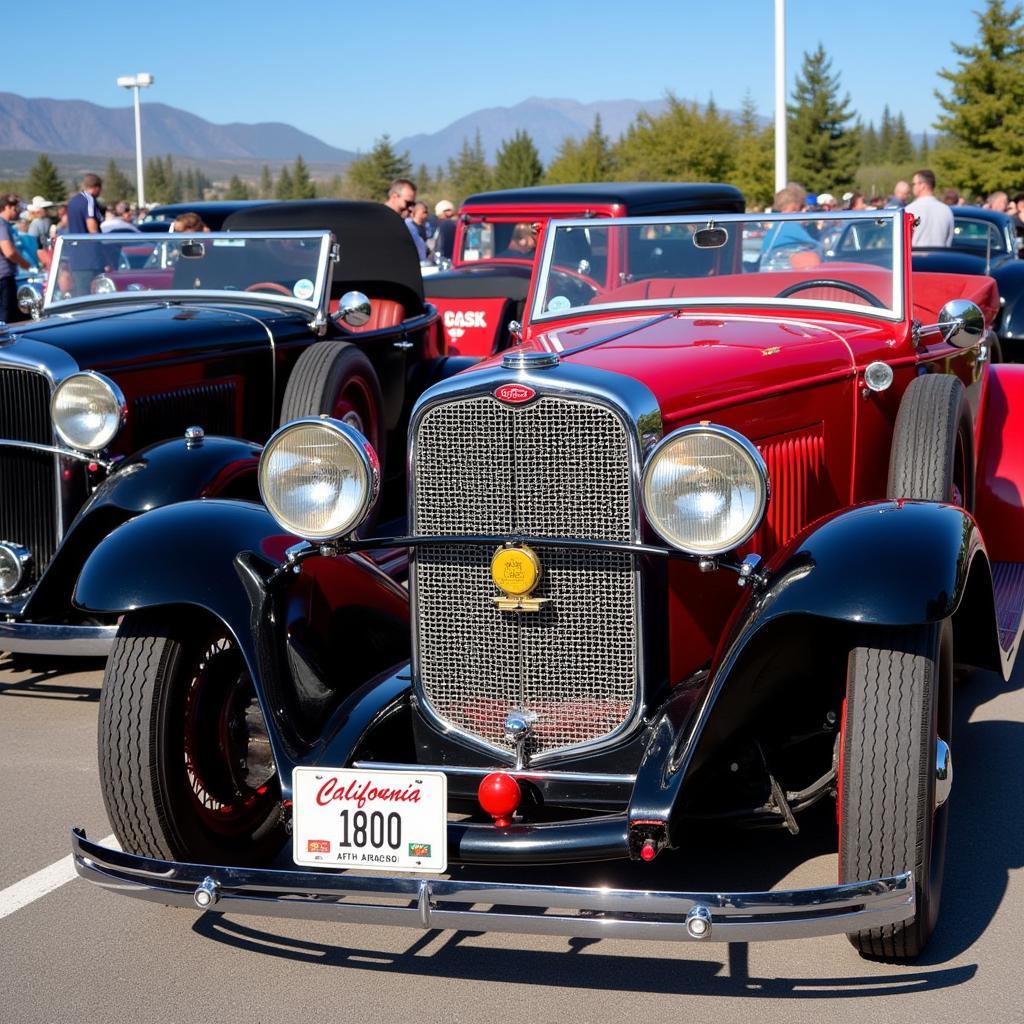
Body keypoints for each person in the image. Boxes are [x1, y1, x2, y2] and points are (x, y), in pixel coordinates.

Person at [760, 185, 821, 264]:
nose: (806, 209)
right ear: (792, 209)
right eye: (802, 206)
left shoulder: (779, 225)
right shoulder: (789, 226)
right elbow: (818, 248)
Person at [66, 173, 104, 292]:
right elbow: (92, 226)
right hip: (90, 258)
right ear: (96, 187)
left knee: (80, 295)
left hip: (77, 258)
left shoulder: (73, 201)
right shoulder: (88, 200)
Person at [0, 194, 32, 323]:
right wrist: (26, 264)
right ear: (7, 207)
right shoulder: (1, 225)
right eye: (15, 208)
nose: (17, 210)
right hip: (3, 278)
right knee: (5, 318)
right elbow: (8, 251)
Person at [907, 169, 954, 248]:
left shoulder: (909, 210)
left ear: (922, 186)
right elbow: (948, 242)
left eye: (913, 184)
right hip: (940, 259)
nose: (912, 187)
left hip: (916, 259)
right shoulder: (946, 210)